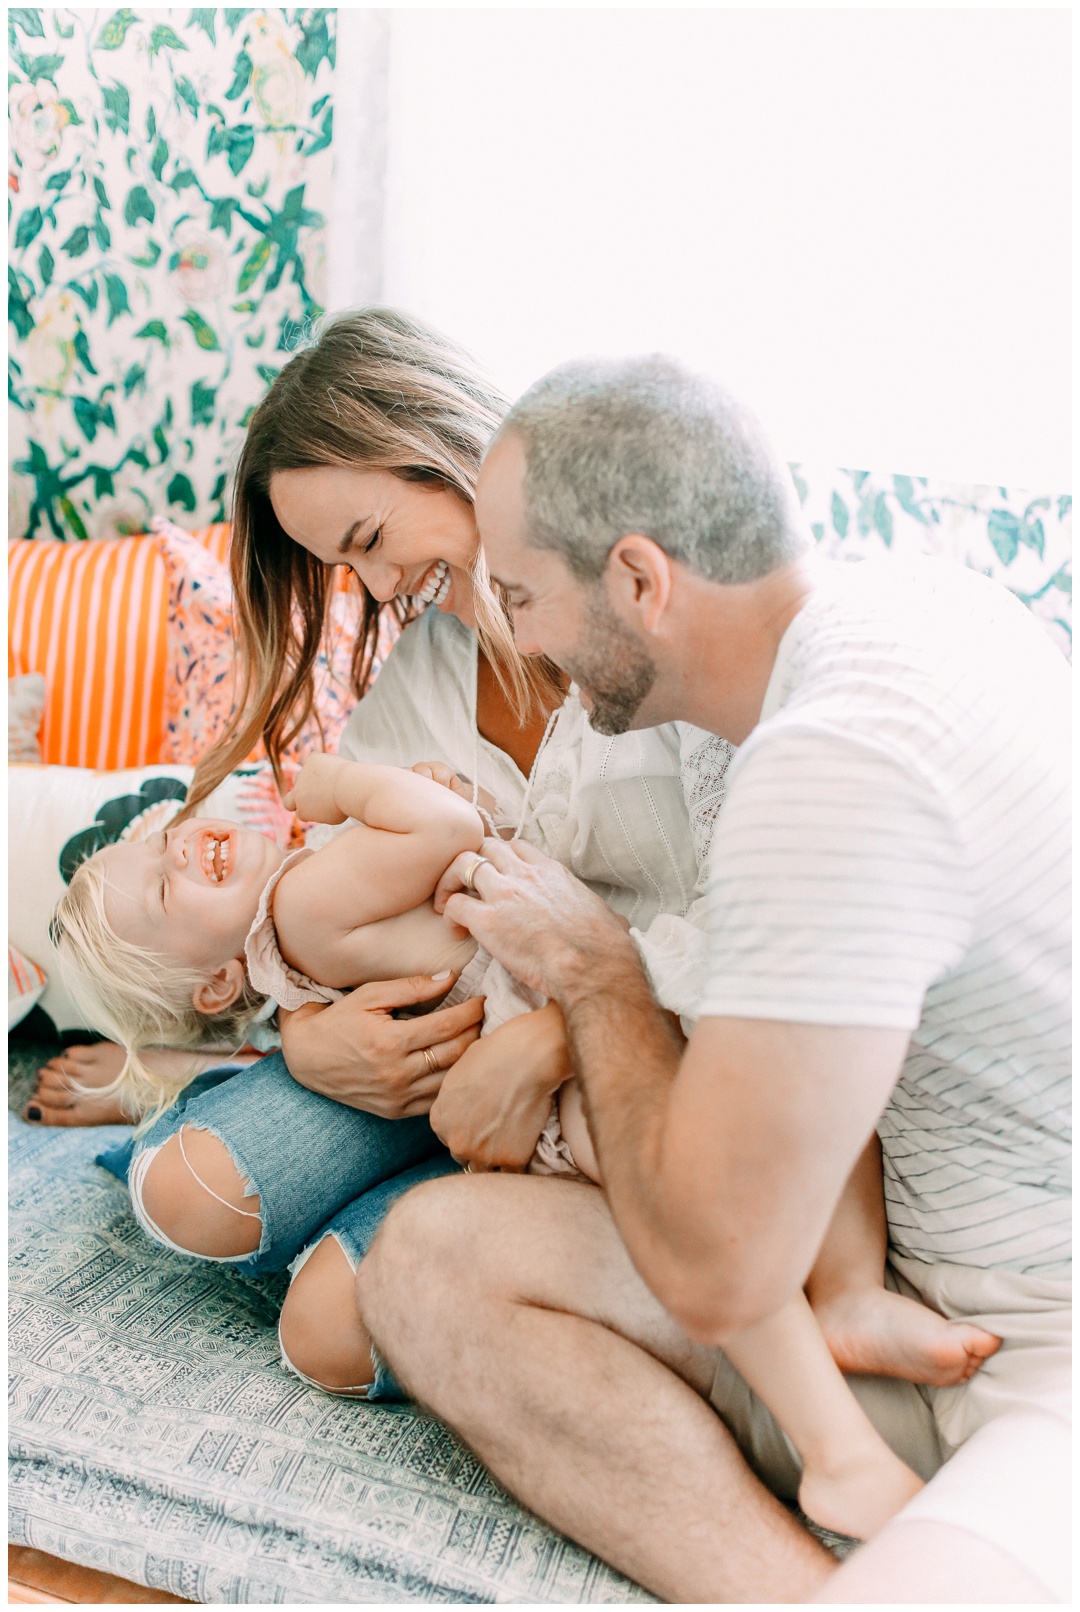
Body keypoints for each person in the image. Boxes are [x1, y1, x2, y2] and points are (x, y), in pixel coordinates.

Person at [355, 356, 1071, 1603]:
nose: (514, 640)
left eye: (521, 597)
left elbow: (715, 1267)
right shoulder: (909, 620)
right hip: (928, 1290)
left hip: (1041, 1357)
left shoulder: (830, 764)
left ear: (639, 578)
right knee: (424, 1261)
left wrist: (592, 972)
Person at [25, 309, 737, 1406]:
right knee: (187, 1192)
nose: (370, 588)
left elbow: (755, 926)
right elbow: (322, 901)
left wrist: (553, 1040)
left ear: (443, 443)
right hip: (425, 1061)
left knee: (332, 1330)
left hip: (628, 1049)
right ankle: (221, 1105)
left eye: (365, 541)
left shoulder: (650, 621)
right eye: (337, 567)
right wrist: (312, 1041)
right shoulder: (427, 670)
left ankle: (419, 1234)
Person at [54, 741, 992, 1543]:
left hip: (556, 1049)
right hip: (568, 1059)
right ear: (218, 988)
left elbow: (448, 840)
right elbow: (448, 834)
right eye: (166, 890)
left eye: (156, 843)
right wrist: (346, 782)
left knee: (743, 1140)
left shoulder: (300, 920)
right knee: (716, 1171)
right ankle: (835, 1425)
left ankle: (846, 1316)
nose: (181, 847)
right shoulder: (299, 899)